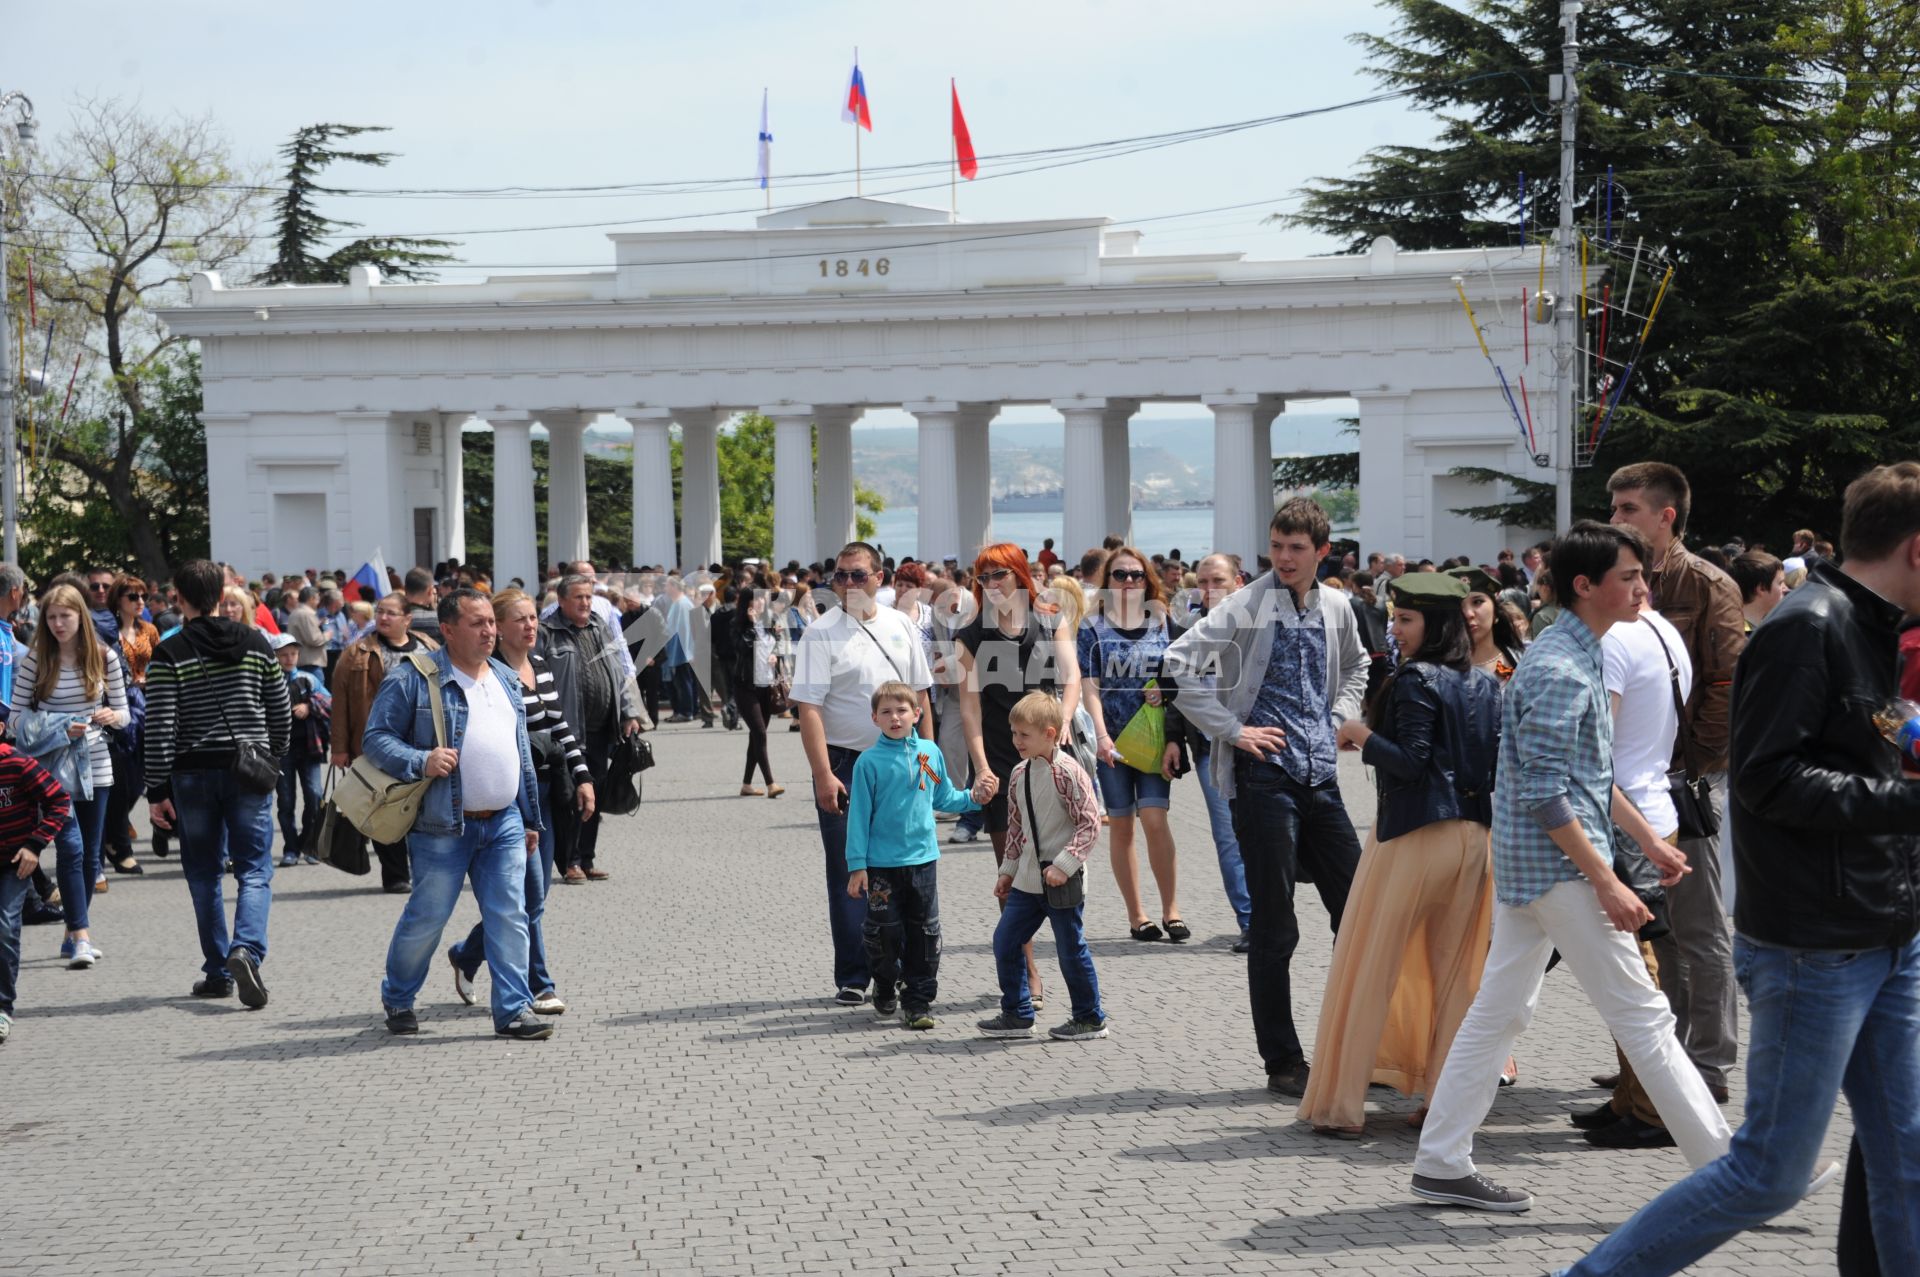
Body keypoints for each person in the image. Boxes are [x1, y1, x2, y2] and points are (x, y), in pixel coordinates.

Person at [1562, 470, 1920, 1274]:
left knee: (1909, 1154)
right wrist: (1904, 798)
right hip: (1815, 942)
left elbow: (1870, 727)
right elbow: (1768, 778)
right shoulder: (1809, 626)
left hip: (1886, 930)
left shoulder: (1868, 624)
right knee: (1770, 1171)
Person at [1407, 522, 1729, 1213]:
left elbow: (1586, 775)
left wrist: (1647, 841)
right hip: (1557, 869)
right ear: (1586, 586)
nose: (1643, 587)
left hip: (1540, 866)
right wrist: (1608, 877)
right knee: (1643, 1016)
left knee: (1500, 1011)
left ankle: (1439, 1161)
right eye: (1629, 577)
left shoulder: (1575, 653)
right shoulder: (1559, 665)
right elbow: (1546, 790)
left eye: (1642, 575)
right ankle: (1733, 1178)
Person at [1164, 499, 1370, 1098]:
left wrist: (1340, 715)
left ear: (1322, 552)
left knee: (1357, 912)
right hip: (1263, 778)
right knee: (1275, 926)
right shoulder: (1245, 604)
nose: (1284, 557)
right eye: (1277, 546)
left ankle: (1361, 1045)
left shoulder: (1337, 605)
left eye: (1296, 548)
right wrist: (1231, 729)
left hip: (1322, 774)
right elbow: (1177, 664)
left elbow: (1359, 666)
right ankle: (1283, 1059)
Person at [1300, 573, 1500, 1137]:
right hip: (1474, 840)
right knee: (1459, 977)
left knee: (1369, 965)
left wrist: (1359, 733)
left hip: (1414, 836)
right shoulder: (1486, 683)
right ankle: (1445, 1103)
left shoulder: (1417, 678)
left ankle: (1341, 1106)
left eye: (1405, 619)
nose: (1394, 628)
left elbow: (1410, 761)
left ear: (1433, 624)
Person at [1608, 462, 1745, 1104]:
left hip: (1678, 784)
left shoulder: (1707, 583)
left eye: (1629, 508)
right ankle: (1653, 1061)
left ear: (1666, 516)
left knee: (1697, 926)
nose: (1616, 520)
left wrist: (1688, 765)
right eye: (1613, 509)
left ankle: (1709, 1063)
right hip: (1628, 786)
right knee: (1647, 929)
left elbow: (1726, 684)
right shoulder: (1616, 582)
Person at [367, 588, 550, 1041]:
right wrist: (421, 760)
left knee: (509, 914)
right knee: (428, 918)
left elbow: (520, 754)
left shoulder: (506, 678)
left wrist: (529, 817)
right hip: (441, 824)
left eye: (491, 622)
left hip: (504, 821)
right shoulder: (413, 677)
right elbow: (376, 739)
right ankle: (399, 997)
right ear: (447, 630)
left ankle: (512, 1010)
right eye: (477, 623)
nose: (489, 631)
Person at [1574, 587, 1696, 1151]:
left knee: (1635, 968)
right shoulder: (1661, 629)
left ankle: (1651, 1107)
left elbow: (1598, 746)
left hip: (1625, 815)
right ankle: (1632, 1097)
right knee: (1634, 963)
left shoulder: (1618, 637)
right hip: (1650, 806)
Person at [793, 542, 935, 1007]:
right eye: (840, 577)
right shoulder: (820, 633)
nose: (848, 584)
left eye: (857, 575)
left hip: (901, 759)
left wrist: (929, 759)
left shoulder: (902, 626)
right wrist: (822, 775)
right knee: (850, 870)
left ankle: (905, 973)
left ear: (880, 578)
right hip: (846, 764)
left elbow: (920, 698)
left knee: (909, 867)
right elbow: (808, 708)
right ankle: (855, 973)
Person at [144, 560, 290, 1008]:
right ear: (221, 594)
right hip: (248, 772)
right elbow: (280, 708)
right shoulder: (256, 642)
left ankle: (216, 971)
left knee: (205, 873)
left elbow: (160, 726)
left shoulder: (169, 653)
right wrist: (274, 755)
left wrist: (156, 790)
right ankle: (246, 948)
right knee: (254, 869)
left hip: (192, 774)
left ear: (180, 600)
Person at [446, 588, 594, 1019]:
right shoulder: (489, 674)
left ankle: (468, 953)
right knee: (526, 893)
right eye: (520, 620)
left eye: (533, 618)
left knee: (535, 895)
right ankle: (540, 984)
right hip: (512, 796)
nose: (531, 626)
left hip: (550, 791)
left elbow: (561, 725)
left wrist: (583, 775)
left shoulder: (541, 666)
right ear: (498, 625)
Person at [956, 542, 1081, 1002]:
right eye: (983, 579)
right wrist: (982, 769)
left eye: (999, 576)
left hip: (1051, 754)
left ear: (1020, 576)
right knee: (1011, 872)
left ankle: (1075, 972)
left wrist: (1064, 720)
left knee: (1060, 867)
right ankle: (1026, 970)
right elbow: (969, 710)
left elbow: (1070, 678)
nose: (991, 587)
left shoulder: (1051, 619)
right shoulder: (970, 636)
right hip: (1001, 758)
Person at [845, 681, 991, 1031]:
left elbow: (944, 798)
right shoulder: (868, 763)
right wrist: (856, 866)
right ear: (874, 718)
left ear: (917, 714)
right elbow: (858, 817)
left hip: (923, 861)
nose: (895, 717)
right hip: (881, 866)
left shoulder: (929, 753)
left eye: (901, 710)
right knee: (884, 932)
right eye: (886, 712)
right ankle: (884, 981)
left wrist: (975, 799)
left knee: (925, 932)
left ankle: (918, 1001)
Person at [12, 583, 131, 970]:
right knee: (71, 848)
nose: (58, 623)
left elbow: (124, 711)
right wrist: (61, 726)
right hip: (51, 772)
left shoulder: (103, 656)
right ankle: (81, 936)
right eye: (51, 617)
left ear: (80, 616)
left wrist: (112, 716)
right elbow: (14, 718)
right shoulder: (35, 660)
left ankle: (71, 934)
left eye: (65, 616)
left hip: (96, 765)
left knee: (91, 857)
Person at [977, 691, 1109, 1041]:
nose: (1016, 741)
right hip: (1027, 881)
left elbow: (1090, 823)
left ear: (1050, 734)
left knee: (1070, 950)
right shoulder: (1019, 773)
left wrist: (1064, 865)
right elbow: (1017, 829)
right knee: (1006, 941)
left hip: (1062, 881)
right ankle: (1018, 1014)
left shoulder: (1068, 772)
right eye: (1014, 733)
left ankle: (1090, 1017)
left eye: (1024, 735)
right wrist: (1007, 871)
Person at [1077, 545, 1184, 942]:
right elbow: (1090, 689)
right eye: (1119, 575)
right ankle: (1137, 915)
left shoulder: (1163, 622)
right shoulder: (1091, 628)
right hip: (1113, 742)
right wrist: (1101, 737)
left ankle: (1171, 908)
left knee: (1156, 819)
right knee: (1121, 827)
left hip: (1153, 737)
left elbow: (1181, 672)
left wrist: (1165, 691)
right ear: (1107, 582)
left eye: (1135, 575)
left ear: (1146, 580)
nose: (1127, 582)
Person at [1162, 553, 1254, 950]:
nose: (1209, 589)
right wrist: (1171, 737)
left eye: (1217, 580)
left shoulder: (1257, 625)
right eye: (1202, 582)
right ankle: (1251, 920)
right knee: (1227, 834)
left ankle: (1272, 915)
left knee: (1267, 834)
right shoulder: (1188, 627)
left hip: (1258, 741)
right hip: (1208, 747)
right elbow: (1173, 686)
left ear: (1238, 582)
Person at [331, 594, 440, 894]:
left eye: (391, 613)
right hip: (379, 742)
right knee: (384, 805)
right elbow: (339, 703)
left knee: (421, 807)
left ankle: (424, 868)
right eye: (380, 612)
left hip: (423, 743)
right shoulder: (358, 653)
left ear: (407, 619)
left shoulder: (428, 647)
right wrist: (339, 747)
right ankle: (395, 874)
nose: (383, 618)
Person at [541, 573, 643, 884]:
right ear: (561, 601)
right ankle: (569, 860)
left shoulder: (600, 626)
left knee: (595, 793)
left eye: (588, 596)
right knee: (573, 797)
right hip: (568, 730)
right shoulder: (548, 633)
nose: (585, 603)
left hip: (601, 729)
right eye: (578, 597)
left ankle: (587, 858)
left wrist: (628, 711)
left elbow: (617, 671)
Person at [0, 733, 71, 1044]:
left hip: (14, 862)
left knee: (4, 926)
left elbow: (59, 801)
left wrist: (35, 844)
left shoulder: (17, 763)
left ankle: (2, 1007)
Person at [101, 575, 157, 876]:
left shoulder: (148, 629)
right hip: (119, 707)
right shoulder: (106, 631)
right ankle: (116, 840)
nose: (140, 602)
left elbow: (159, 663)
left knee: (138, 781)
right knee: (120, 778)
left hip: (146, 705)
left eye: (143, 596)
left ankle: (115, 830)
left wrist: (149, 680)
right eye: (133, 596)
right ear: (118, 600)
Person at [268, 633, 326, 868]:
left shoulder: (308, 679)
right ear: (275, 657)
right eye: (283, 654)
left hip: (310, 747)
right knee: (286, 801)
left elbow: (328, 701)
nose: (289, 658)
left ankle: (310, 845)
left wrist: (309, 706)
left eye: (293, 653)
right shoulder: (269, 680)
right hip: (281, 751)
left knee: (314, 795)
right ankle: (291, 848)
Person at [731, 588, 785, 798]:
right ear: (746, 603)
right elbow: (741, 649)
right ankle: (771, 784)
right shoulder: (738, 626)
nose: (760, 602)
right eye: (756, 599)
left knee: (756, 738)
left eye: (762, 598)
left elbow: (776, 646)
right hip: (746, 687)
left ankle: (746, 785)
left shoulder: (770, 622)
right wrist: (752, 626)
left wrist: (775, 655)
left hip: (767, 686)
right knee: (760, 733)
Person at [1728, 550, 1787, 634]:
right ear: (1761, 588)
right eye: (1780, 583)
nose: (1785, 588)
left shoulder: (1730, 625)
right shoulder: (1737, 638)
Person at [283, 585, 330, 688]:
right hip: (310, 663)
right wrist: (327, 635)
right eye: (317, 598)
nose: (318, 602)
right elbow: (314, 639)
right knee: (316, 697)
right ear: (311, 599)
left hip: (302, 661)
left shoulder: (296, 612)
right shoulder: (306, 614)